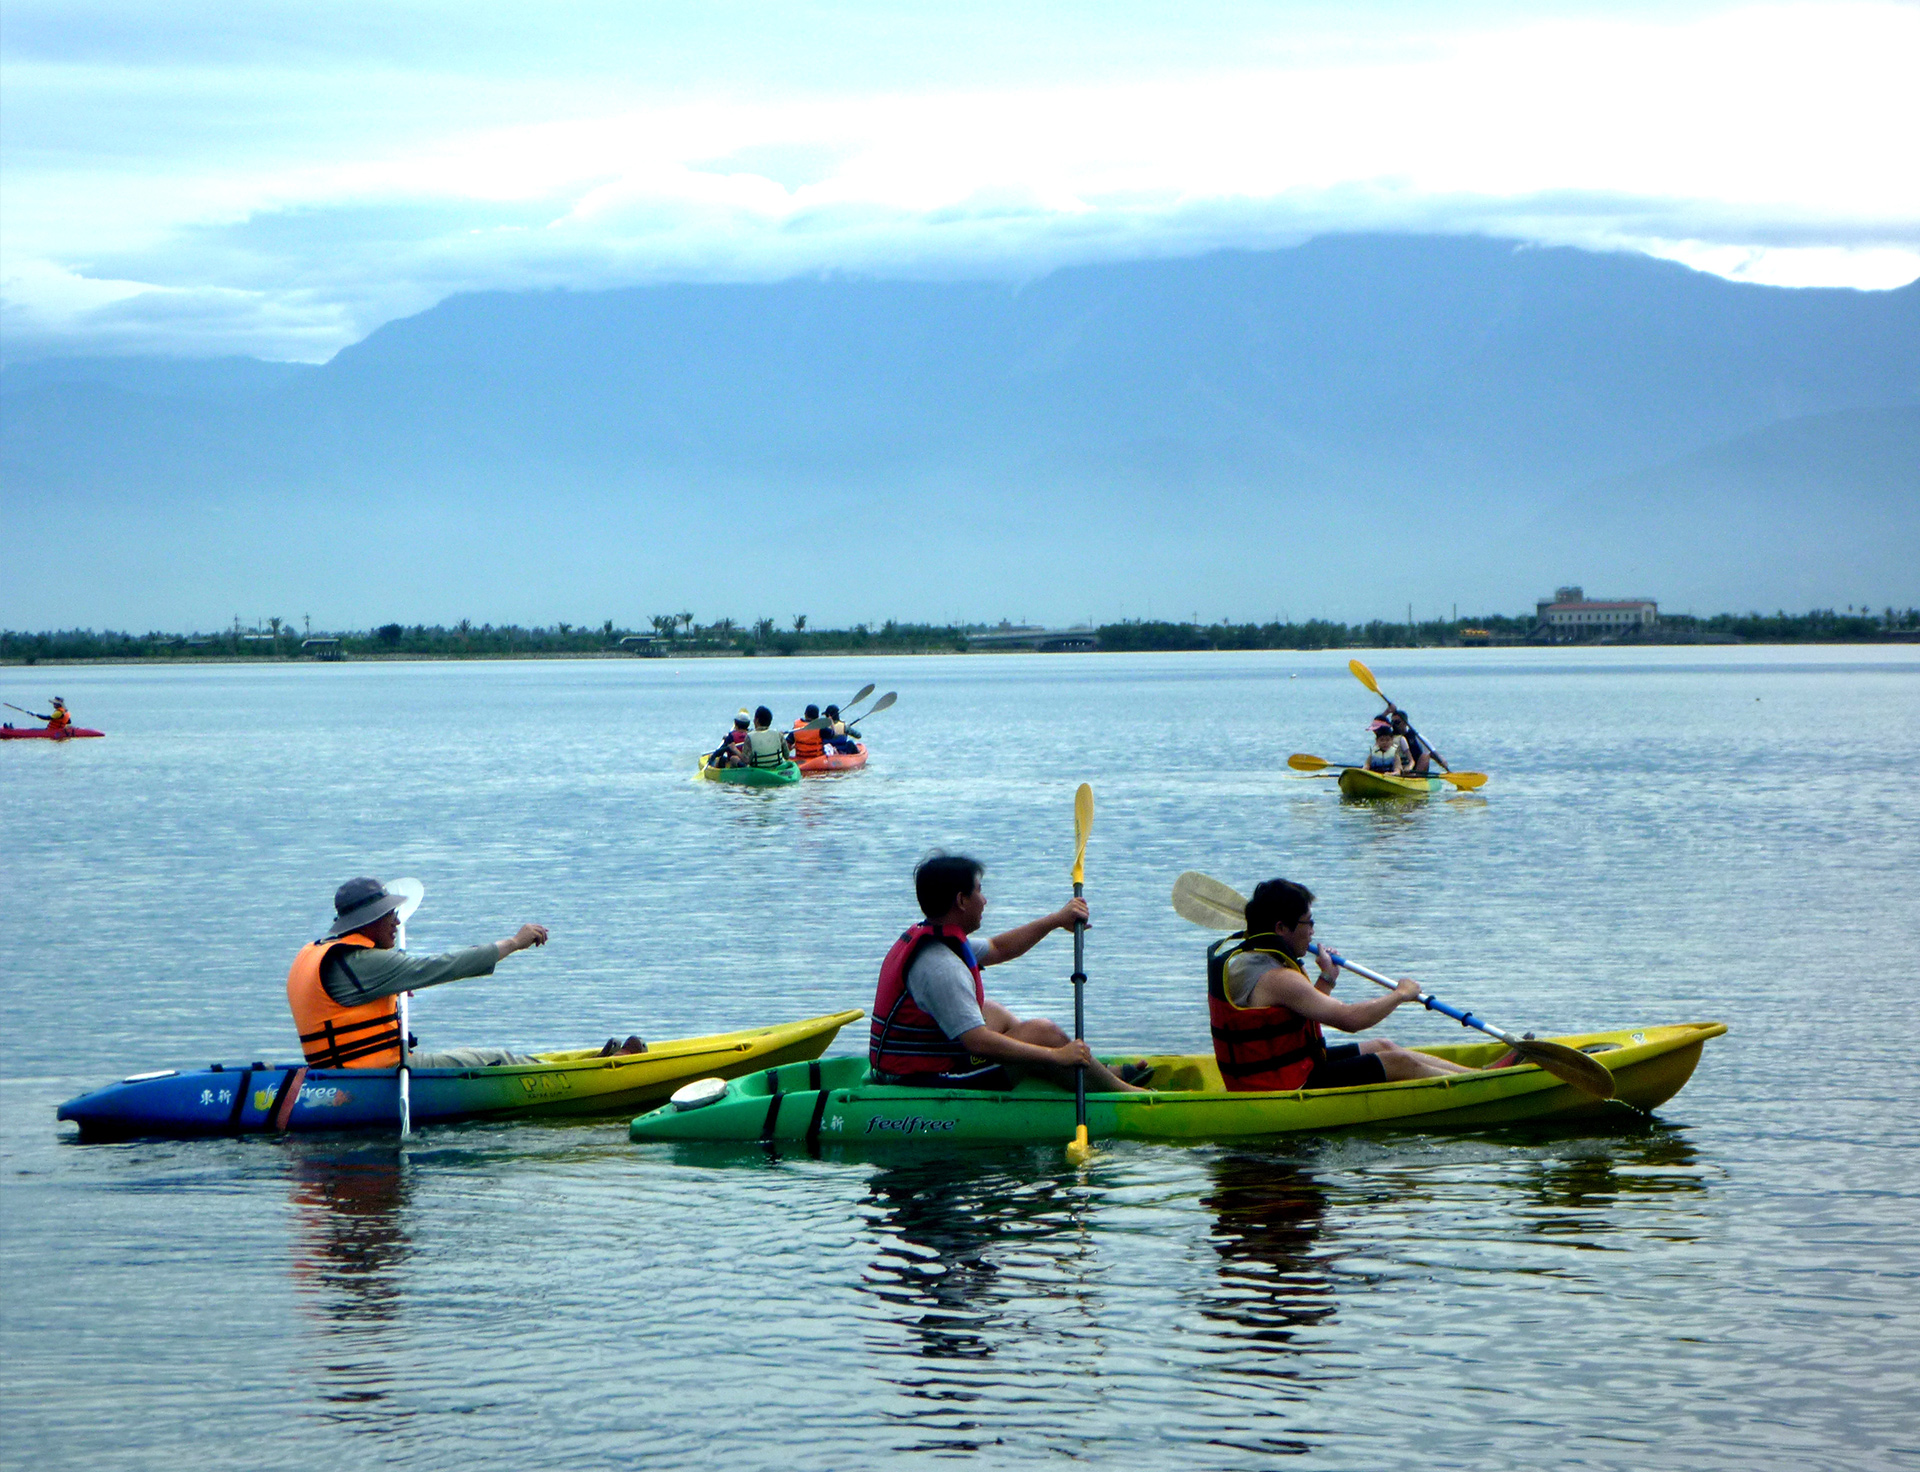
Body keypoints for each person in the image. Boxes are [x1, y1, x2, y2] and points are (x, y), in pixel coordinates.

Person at [870, 854, 1149, 1092]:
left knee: (993, 1011)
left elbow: (999, 947)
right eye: (979, 891)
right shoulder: (941, 966)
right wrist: (1055, 1055)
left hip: (936, 1059)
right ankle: (1126, 1093)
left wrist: (1055, 920)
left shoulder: (936, 937)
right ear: (961, 901)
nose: (985, 900)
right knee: (1044, 1033)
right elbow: (976, 1042)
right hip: (923, 1081)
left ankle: (1097, 1074)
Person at [285, 877, 601, 1071]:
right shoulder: (363, 963)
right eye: (389, 915)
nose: (396, 922)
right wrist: (513, 943)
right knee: (498, 1059)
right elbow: (444, 965)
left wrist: (390, 987)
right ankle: (596, 1069)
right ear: (368, 921)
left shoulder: (319, 953)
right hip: (378, 1074)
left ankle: (586, 1060)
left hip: (335, 1072)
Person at [1207, 879, 1490, 1091]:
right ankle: (1482, 1088)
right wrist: (1400, 994)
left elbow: (1294, 1016)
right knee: (1398, 1062)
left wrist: (1327, 978)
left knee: (1383, 1045)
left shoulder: (1251, 960)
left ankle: (1476, 1073)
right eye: (1308, 922)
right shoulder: (1279, 977)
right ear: (1281, 928)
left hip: (1286, 1069)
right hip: (1285, 1086)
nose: (1313, 931)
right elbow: (1349, 1020)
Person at [1384, 705, 1449, 775]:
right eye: (1392, 722)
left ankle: (1416, 777)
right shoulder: (1390, 736)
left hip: (1414, 769)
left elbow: (1432, 751)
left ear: (1405, 723)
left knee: (1425, 756)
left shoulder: (1416, 736)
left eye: (1397, 722)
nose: (1394, 725)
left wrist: (1441, 761)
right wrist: (1386, 712)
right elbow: (1377, 726)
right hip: (1398, 767)